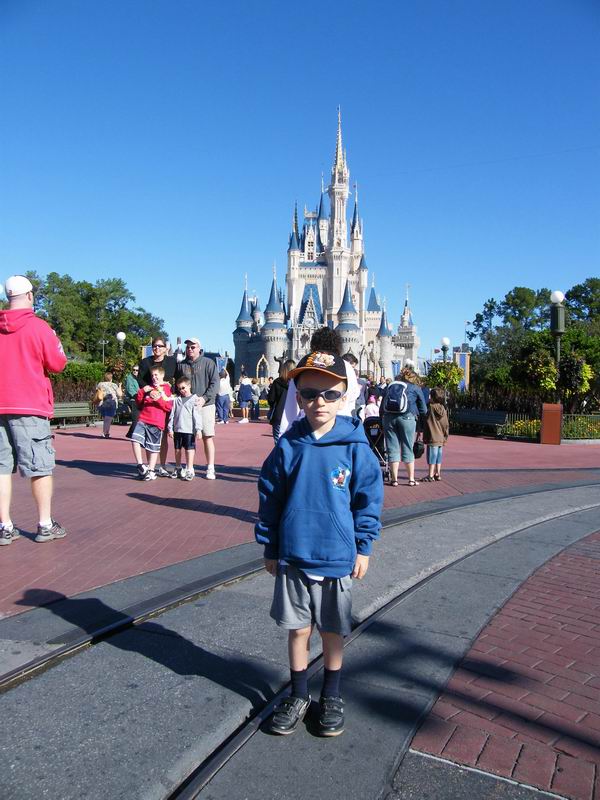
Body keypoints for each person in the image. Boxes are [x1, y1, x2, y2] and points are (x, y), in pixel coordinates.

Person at [256, 351, 383, 737]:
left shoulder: (355, 446)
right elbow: (270, 497)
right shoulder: (288, 445)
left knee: (331, 630)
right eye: (310, 394)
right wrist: (270, 545)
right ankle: (298, 694)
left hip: (336, 555)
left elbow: (368, 499)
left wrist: (363, 546)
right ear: (298, 397)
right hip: (295, 554)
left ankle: (331, 694)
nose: (319, 402)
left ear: (344, 396)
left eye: (329, 394)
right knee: (298, 630)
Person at [0, 274, 68, 545]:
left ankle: (4, 526)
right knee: (39, 466)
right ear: (29, 296)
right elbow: (58, 363)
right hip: (29, 405)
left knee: (1, 467)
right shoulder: (39, 327)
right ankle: (45, 524)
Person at [278, 327, 360, 435]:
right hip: (341, 428)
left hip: (308, 429)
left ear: (313, 345)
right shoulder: (347, 367)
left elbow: (290, 407)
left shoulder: (305, 365)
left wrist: (284, 435)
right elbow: (353, 396)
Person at [175, 338, 219, 480]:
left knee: (207, 436)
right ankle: (190, 468)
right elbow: (177, 384)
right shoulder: (181, 365)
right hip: (187, 406)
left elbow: (215, 383)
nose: (190, 349)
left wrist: (204, 398)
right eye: (188, 347)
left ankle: (210, 467)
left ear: (199, 348)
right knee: (188, 437)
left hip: (205, 405)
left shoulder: (208, 363)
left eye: (193, 347)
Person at [137, 336, 177, 477]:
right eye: (155, 346)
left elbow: (178, 378)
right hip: (150, 404)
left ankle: (163, 465)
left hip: (164, 402)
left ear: (165, 348)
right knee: (149, 435)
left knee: (164, 435)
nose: (157, 348)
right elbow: (140, 380)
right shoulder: (145, 362)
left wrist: (172, 390)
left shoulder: (172, 362)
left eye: (160, 346)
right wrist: (149, 391)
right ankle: (150, 466)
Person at [381, 365, 427, 487]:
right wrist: (421, 424)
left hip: (389, 418)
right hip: (407, 418)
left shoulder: (391, 386)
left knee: (392, 449)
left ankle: (394, 480)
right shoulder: (415, 388)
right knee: (407, 447)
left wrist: (382, 420)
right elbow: (423, 409)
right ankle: (411, 479)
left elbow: (382, 405)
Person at [128, 365, 173, 481]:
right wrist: (142, 391)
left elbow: (169, 406)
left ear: (162, 375)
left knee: (152, 447)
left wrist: (158, 399)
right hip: (143, 419)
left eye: (156, 375)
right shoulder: (148, 388)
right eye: (152, 375)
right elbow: (139, 402)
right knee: (134, 438)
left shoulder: (166, 389)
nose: (154, 377)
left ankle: (151, 470)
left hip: (156, 422)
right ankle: (140, 465)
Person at [167, 376, 203, 480]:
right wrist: (170, 428)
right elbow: (172, 415)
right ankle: (178, 467)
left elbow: (197, 415)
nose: (181, 390)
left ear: (189, 386)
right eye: (179, 389)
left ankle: (190, 469)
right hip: (177, 429)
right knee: (177, 449)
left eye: (183, 388)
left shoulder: (194, 399)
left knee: (189, 449)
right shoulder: (177, 400)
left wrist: (198, 429)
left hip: (189, 430)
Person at [422, 387, 449, 482]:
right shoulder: (443, 409)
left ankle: (430, 475)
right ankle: (438, 473)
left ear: (432, 397)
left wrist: (425, 436)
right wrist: (445, 436)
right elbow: (446, 424)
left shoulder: (431, 408)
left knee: (431, 457)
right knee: (438, 456)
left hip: (432, 436)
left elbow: (427, 422)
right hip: (441, 437)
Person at [267, 360, 295, 443]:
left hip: (279, 415)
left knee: (278, 442)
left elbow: (271, 399)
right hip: (294, 415)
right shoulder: (297, 382)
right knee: (292, 442)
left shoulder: (277, 382)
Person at [95, 371, 122, 438]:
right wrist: (120, 386)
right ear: (111, 378)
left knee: (106, 418)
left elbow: (97, 392)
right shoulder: (114, 385)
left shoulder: (100, 384)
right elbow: (120, 394)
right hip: (111, 402)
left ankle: (107, 432)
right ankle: (104, 433)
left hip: (102, 403)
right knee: (108, 419)